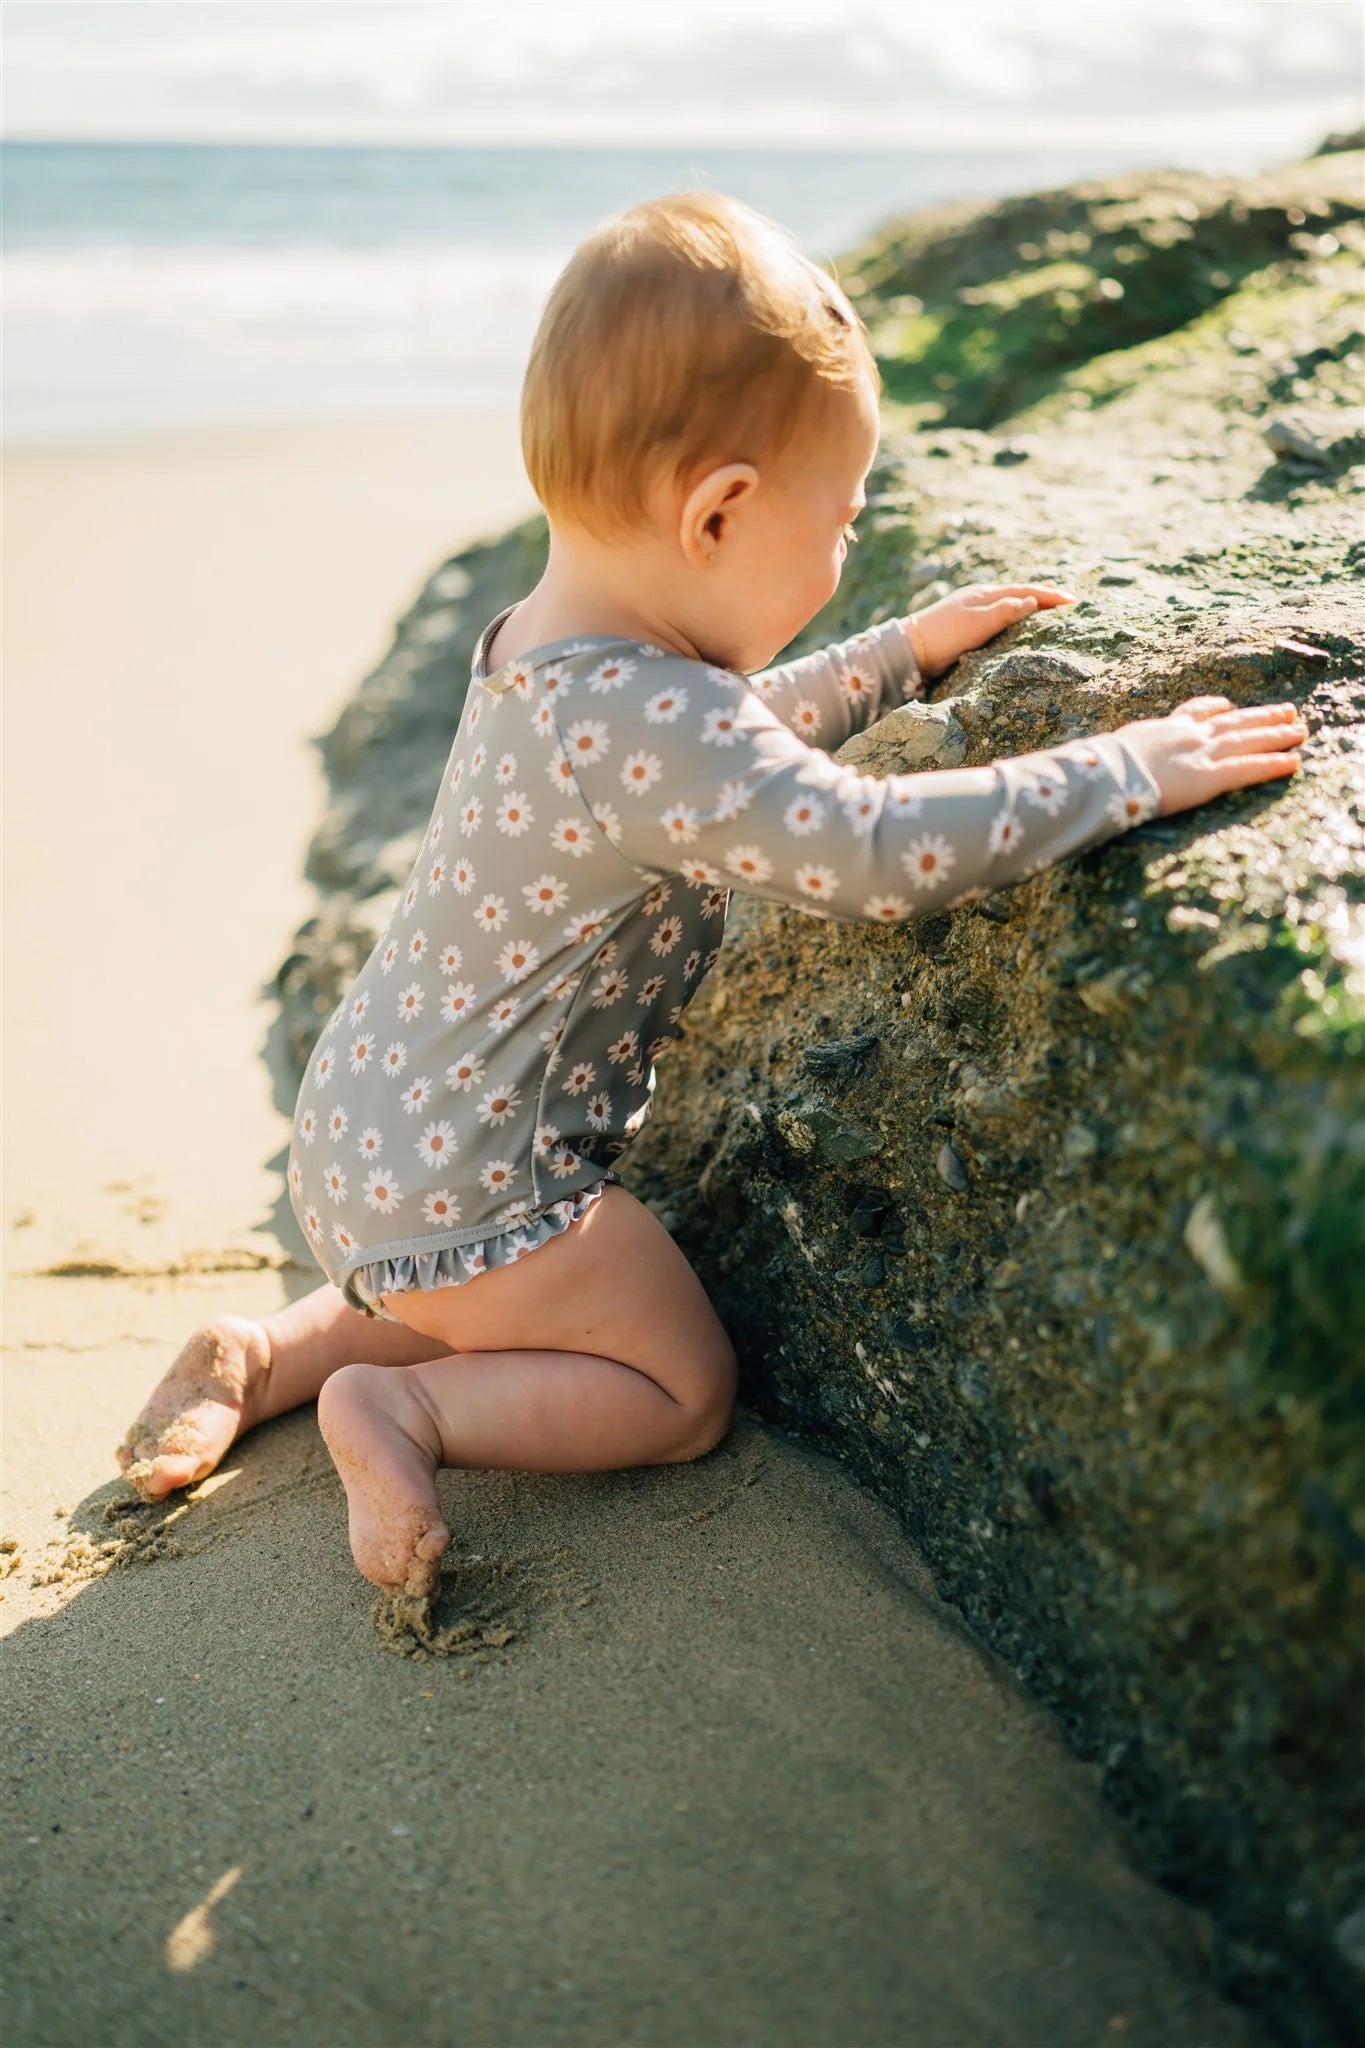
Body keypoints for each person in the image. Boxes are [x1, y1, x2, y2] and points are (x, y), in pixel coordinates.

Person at [116, 191, 1306, 1600]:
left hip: (367, 1133)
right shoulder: (650, 716)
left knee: (443, 1285)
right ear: (721, 510)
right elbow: (862, 848)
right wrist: (1122, 769)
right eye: (843, 522)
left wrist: (890, 654)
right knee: (675, 1388)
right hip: (490, 1186)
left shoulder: (540, 649)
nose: (847, 550)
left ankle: (267, 1356)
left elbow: (719, 745)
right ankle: (399, 1411)